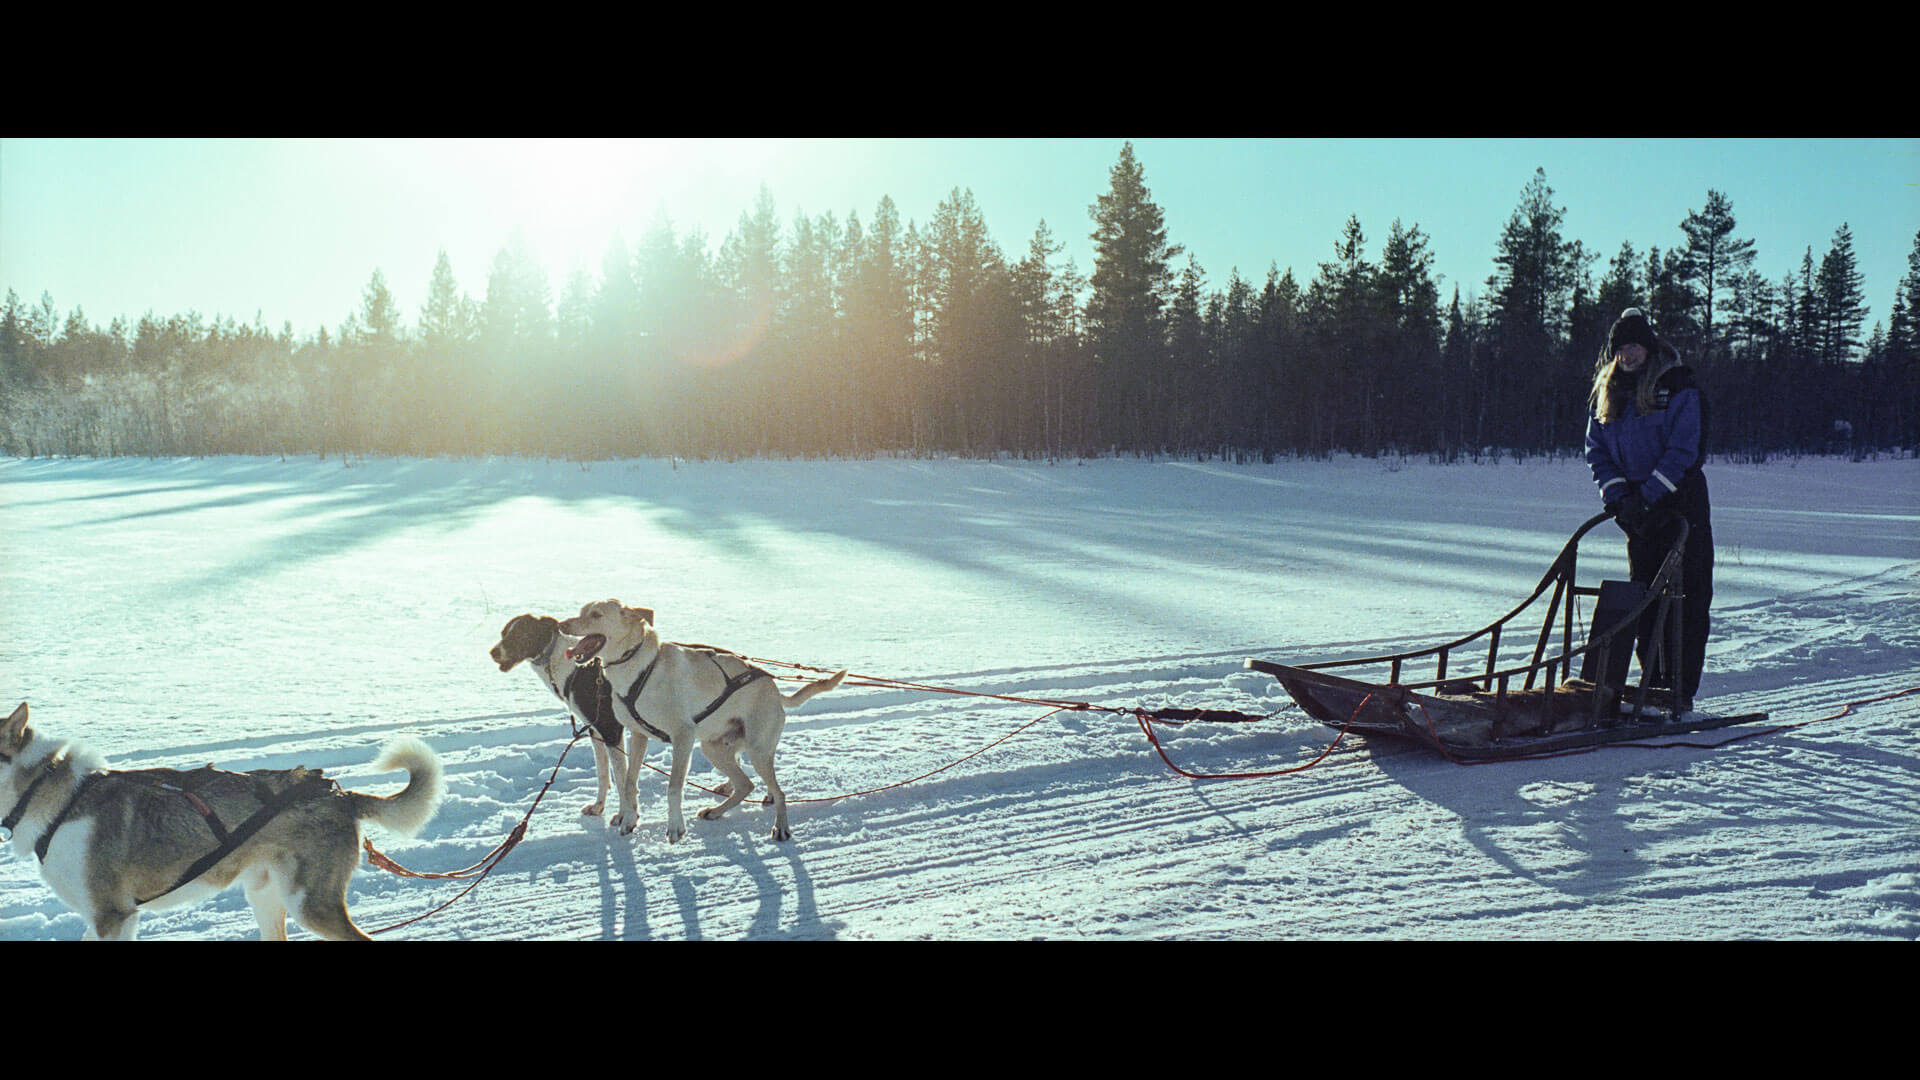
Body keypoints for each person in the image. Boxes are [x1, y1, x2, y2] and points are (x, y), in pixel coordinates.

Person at [1583, 308, 1713, 713]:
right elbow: (1597, 451)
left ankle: (1678, 690)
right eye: (1620, 349)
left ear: (1648, 346)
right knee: (1644, 598)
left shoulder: (1675, 386)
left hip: (1680, 504)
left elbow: (1683, 451)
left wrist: (1649, 496)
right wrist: (1621, 498)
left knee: (1686, 598)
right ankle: (1649, 684)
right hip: (1637, 512)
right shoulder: (1611, 391)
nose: (1627, 355)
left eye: (1634, 346)